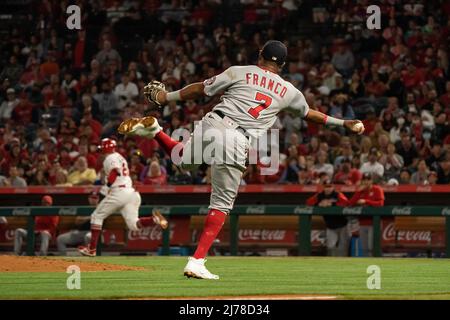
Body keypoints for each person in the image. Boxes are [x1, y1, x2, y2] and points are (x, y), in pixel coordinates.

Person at [118, 40, 364, 279]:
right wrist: (343, 123)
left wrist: (165, 98)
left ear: (260, 55)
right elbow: (310, 115)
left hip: (213, 122)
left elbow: (201, 89)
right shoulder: (289, 91)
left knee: (182, 161)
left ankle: (155, 132)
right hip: (237, 138)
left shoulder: (240, 71)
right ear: (283, 65)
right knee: (221, 204)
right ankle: (196, 261)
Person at [78, 138, 168, 257]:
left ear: (106, 147)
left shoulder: (110, 158)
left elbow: (115, 172)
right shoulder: (119, 156)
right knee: (134, 225)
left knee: (96, 216)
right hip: (131, 193)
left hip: (119, 191)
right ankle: (154, 220)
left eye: (102, 147)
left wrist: (107, 187)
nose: (101, 150)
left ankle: (92, 249)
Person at [306, 179, 350, 256]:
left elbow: (347, 203)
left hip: (343, 225)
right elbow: (308, 202)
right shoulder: (320, 195)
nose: (328, 188)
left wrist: (332, 204)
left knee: (343, 247)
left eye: (330, 186)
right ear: (323, 187)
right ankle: (333, 264)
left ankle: (343, 264)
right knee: (330, 247)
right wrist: (318, 204)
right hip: (330, 226)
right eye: (326, 186)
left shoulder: (337, 194)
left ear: (333, 187)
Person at [348, 173, 385, 257]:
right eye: (364, 180)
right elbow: (350, 203)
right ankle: (366, 267)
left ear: (371, 181)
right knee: (364, 248)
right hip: (362, 223)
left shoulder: (377, 189)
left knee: (372, 247)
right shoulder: (361, 191)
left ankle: (376, 264)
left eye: (368, 179)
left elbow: (380, 203)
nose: (366, 182)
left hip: (374, 223)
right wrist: (358, 191)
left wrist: (366, 201)